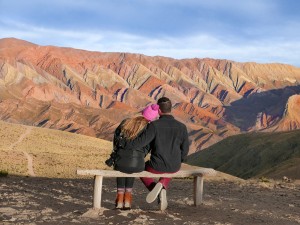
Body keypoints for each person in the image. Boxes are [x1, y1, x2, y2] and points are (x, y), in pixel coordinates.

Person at [124, 97, 189, 210]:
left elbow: (140, 143)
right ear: (171, 109)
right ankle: (162, 185)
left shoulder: (154, 126)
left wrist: (125, 144)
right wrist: (180, 160)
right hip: (175, 165)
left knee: (141, 170)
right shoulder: (182, 127)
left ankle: (157, 190)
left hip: (156, 165)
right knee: (170, 170)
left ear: (158, 110)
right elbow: (185, 149)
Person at [105, 104, 159, 210]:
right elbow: (148, 147)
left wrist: (118, 152)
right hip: (138, 164)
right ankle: (128, 201)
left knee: (122, 166)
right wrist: (140, 156)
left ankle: (120, 200)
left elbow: (116, 141)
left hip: (120, 161)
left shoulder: (126, 122)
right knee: (132, 167)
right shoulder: (148, 128)